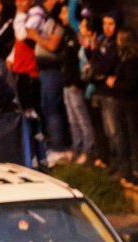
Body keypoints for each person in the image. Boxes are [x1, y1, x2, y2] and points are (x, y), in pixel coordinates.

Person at [27, 0, 67, 158]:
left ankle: (58, 146)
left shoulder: (58, 27)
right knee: (46, 106)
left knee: (52, 108)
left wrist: (36, 36)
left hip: (53, 72)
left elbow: (52, 46)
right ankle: (52, 143)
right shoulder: (49, 22)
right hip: (44, 71)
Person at [108, 28, 138, 183]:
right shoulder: (123, 58)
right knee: (123, 136)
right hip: (124, 102)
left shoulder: (135, 61)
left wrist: (114, 84)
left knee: (137, 137)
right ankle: (127, 170)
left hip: (134, 104)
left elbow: (131, 84)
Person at [58, 4, 93, 164]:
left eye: (65, 12)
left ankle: (88, 151)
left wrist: (76, 82)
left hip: (75, 85)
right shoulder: (68, 34)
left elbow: (81, 64)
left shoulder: (81, 39)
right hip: (67, 84)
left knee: (82, 119)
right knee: (72, 119)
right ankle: (77, 147)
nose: (62, 16)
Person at [86, 11, 121, 169]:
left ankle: (118, 163)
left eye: (111, 24)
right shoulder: (102, 41)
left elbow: (105, 65)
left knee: (113, 131)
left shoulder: (117, 43)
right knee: (99, 128)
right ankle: (104, 158)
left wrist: (95, 53)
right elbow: (94, 64)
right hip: (98, 90)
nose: (107, 28)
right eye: (105, 24)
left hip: (110, 94)